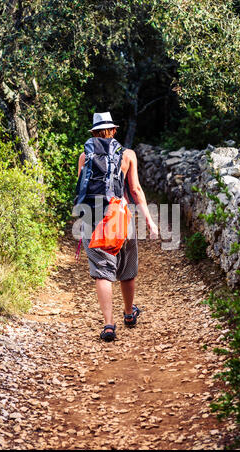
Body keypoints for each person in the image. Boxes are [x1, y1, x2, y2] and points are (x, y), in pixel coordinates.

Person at [77, 112, 158, 341]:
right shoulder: (128, 155)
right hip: (120, 216)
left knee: (102, 272)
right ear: (113, 131)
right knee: (127, 268)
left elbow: (83, 191)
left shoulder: (84, 157)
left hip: (93, 218)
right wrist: (150, 222)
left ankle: (109, 325)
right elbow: (136, 190)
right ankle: (129, 314)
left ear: (93, 133)